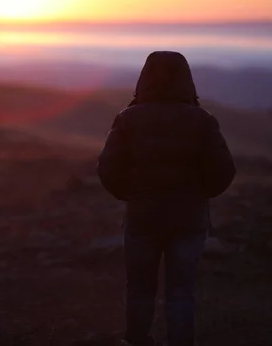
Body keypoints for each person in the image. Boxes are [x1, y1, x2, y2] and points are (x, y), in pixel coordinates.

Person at [97, 51, 236, 346]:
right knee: (182, 290)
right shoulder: (202, 120)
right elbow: (225, 170)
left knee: (139, 289)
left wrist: (131, 196)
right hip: (189, 219)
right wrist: (199, 195)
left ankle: (135, 341)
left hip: (142, 217)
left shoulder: (128, 119)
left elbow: (107, 168)